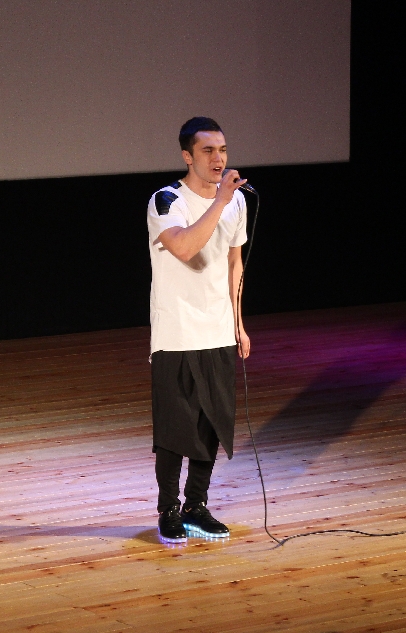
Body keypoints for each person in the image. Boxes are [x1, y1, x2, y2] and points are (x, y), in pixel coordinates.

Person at [146, 116, 251, 544]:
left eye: (222, 150)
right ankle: (168, 509)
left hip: (218, 330)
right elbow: (186, 247)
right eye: (208, 151)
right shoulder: (166, 201)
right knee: (175, 428)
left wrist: (238, 322)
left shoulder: (236, 203)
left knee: (212, 423)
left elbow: (234, 263)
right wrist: (219, 202)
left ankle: (196, 506)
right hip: (177, 332)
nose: (218, 158)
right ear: (187, 156)